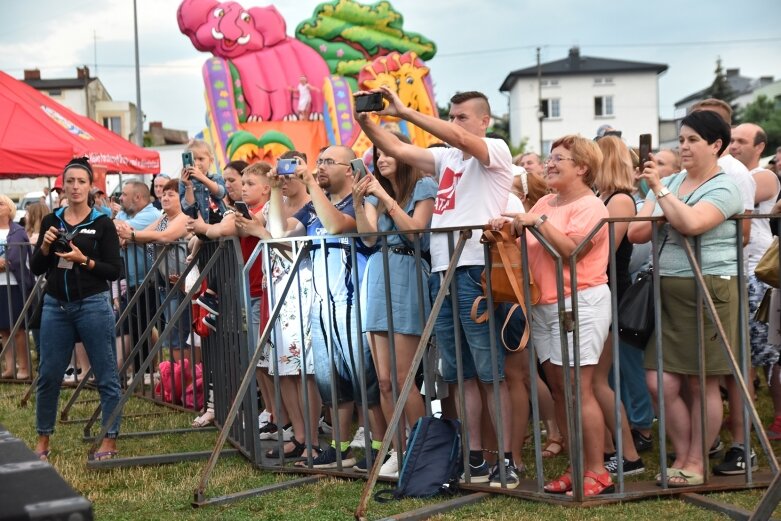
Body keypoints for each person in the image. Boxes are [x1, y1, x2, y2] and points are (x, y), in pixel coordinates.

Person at [356, 88, 518, 488]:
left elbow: (461, 139)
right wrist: (366, 122)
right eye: (452, 115)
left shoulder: (494, 149)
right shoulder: (445, 159)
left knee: (490, 372)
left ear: (484, 120)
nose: (454, 123)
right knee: (459, 374)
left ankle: (508, 460)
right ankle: (476, 457)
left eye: (461, 116)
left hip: (476, 269)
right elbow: (394, 147)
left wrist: (406, 110)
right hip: (441, 271)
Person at [628, 110, 743, 487]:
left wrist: (660, 193)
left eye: (693, 140)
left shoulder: (726, 187)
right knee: (660, 382)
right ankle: (682, 454)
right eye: (682, 140)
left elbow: (693, 223)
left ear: (716, 145)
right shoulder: (673, 179)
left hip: (710, 287)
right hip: (668, 287)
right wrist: (658, 194)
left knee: (701, 383)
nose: (684, 146)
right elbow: (636, 233)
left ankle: (696, 461)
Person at [496, 134, 613, 496]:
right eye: (549, 157)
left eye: (558, 158)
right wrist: (506, 232)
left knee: (579, 390)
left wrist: (534, 221)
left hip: (581, 302)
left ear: (582, 167)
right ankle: (576, 466)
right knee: (562, 391)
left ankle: (597, 470)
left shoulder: (593, 206)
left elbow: (572, 250)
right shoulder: (546, 201)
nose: (549, 163)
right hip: (545, 304)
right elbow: (530, 245)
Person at [267, 144, 385, 470]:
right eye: (317, 160)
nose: (319, 166)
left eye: (328, 161)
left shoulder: (360, 200)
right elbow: (278, 231)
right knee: (332, 384)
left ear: (349, 170)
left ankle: (379, 447)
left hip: (352, 301)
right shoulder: (315, 205)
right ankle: (341, 448)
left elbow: (335, 226)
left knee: (366, 382)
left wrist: (311, 184)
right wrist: (275, 190)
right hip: (321, 304)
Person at [352, 132, 437, 477]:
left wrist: (384, 198)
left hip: (408, 270)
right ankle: (399, 449)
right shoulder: (373, 192)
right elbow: (368, 236)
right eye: (376, 153)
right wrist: (360, 201)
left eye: (387, 152)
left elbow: (416, 233)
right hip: (377, 271)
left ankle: (423, 451)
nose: (380, 158)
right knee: (384, 380)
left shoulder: (424, 186)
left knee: (404, 378)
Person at [31, 157, 124, 461]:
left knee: (106, 374)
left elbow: (114, 270)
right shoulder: (51, 220)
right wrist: (44, 247)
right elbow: (36, 267)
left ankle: (109, 439)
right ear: (63, 184)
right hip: (55, 306)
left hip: (93, 305)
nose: (74, 187)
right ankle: (43, 439)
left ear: (91, 187)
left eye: (81, 182)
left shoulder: (102, 223)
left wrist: (83, 259)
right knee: (48, 375)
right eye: (70, 181)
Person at [721, 122, 780, 472]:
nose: (734, 146)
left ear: (760, 147)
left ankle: (772, 421)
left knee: (766, 356)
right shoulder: (735, 173)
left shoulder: (762, 176)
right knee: (745, 358)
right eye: (731, 140)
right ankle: (745, 424)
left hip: (759, 272)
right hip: (739, 273)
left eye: (741, 141)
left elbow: (732, 195)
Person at [592, 136, 645, 476]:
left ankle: (629, 455)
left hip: (610, 290)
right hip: (598, 288)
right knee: (598, 378)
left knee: (600, 379)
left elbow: (600, 249)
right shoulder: (603, 197)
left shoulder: (621, 200)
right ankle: (614, 449)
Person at [118, 179, 192, 361]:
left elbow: (165, 236)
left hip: (182, 284)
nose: (164, 197)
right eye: (164, 194)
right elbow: (142, 233)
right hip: (165, 283)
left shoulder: (185, 217)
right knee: (172, 336)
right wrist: (129, 235)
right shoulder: (164, 218)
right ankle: (177, 379)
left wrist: (132, 235)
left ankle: (187, 381)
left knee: (182, 337)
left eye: (170, 194)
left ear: (181, 198)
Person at [113, 181, 162, 378]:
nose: (120, 198)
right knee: (136, 327)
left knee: (146, 327)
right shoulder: (127, 214)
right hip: (134, 282)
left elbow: (117, 230)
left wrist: (124, 234)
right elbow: (113, 229)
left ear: (138, 198)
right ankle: (142, 370)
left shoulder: (150, 214)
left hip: (150, 281)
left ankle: (149, 370)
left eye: (124, 195)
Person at [0, 194, 34, 380]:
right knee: (4, 329)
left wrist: (5, 263)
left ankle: (24, 368)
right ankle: (9, 367)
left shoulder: (18, 231)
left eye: (0, 203)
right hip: (0, 285)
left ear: (9, 208)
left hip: (14, 285)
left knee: (18, 329)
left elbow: (16, 258)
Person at [179, 139, 226, 223]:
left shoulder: (216, 178)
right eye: (193, 160)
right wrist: (188, 186)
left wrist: (203, 178)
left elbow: (221, 194)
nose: (196, 163)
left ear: (210, 160)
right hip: (201, 226)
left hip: (222, 222)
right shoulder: (184, 182)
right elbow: (188, 208)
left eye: (201, 159)